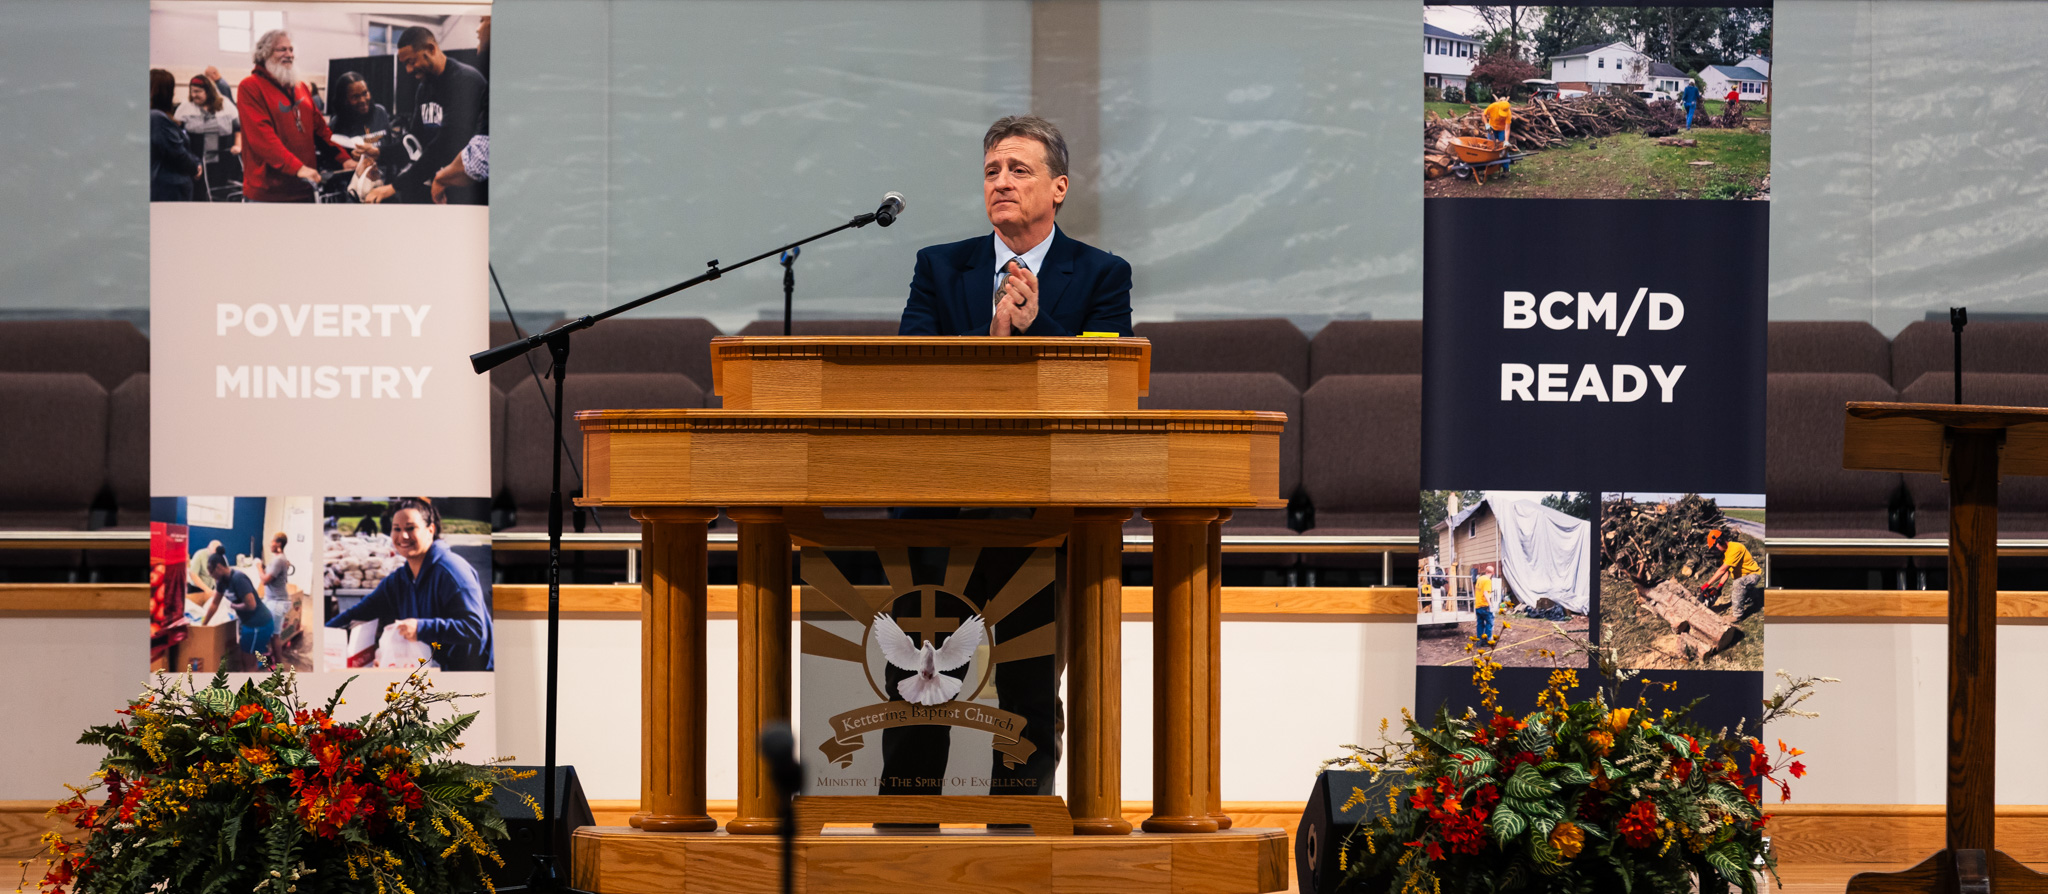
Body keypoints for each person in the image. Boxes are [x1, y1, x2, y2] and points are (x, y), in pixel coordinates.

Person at [898, 115, 1133, 337]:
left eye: (1019, 171)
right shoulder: (938, 267)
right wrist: (989, 336)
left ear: (1059, 189)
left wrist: (1034, 322)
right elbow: (910, 363)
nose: (1000, 183)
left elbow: (1106, 373)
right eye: (992, 172)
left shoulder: (1103, 275)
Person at [325, 497, 493, 671]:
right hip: (429, 668)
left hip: (466, 674)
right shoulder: (400, 579)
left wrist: (421, 628)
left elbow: (475, 629)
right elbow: (359, 611)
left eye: (411, 528)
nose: (403, 536)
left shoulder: (452, 571)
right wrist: (325, 634)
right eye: (397, 529)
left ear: (430, 530)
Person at [365, 26, 488, 204]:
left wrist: (395, 186)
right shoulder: (424, 87)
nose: (408, 70)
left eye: (411, 61)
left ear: (431, 49)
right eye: (404, 64)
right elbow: (415, 139)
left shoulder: (465, 81)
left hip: (464, 190)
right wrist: (379, 153)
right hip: (434, 184)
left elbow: (445, 146)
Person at [236, 29, 346, 202]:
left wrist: (343, 158)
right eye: (282, 49)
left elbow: (320, 130)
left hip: (305, 187)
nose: (289, 55)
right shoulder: (250, 87)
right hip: (268, 193)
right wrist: (297, 168)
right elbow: (263, 138)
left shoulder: (300, 87)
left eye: (291, 49)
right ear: (264, 53)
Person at [200, 547, 274, 671]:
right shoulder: (221, 582)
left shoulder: (238, 579)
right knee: (243, 659)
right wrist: (204, 625)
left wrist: (233, 606)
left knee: (249, 663)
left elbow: (251, 605)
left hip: (258, 624)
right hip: (247, 624)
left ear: (219, 567)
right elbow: (214, 604)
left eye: (212, 573)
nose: (211, 576)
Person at [173, 75, 240, 201]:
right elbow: (176, 133)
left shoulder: (225, 104)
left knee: (219, 193)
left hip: (222, 161)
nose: (194, 95)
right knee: (199, 194)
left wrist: (238, 145)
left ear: (209, 92)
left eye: (198, 91)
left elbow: (238, 128)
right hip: (196, 162)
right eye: (192, 91)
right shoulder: (185, 107)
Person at [149, 69, 199, 202]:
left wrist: (196, 162)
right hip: (168, 188)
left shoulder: (160, 117)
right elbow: (177, 153)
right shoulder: (157, 118)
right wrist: (195, 167)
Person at [1700, 527, 1762, 621]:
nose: (1715, 550)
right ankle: (1753, 594)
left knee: (1738, 584)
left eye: (1715, 546)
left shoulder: (1735, 548)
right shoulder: (1724, 556)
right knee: (1740, 589)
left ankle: (1737, 616)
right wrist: (1719, 587)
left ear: (1720, 541)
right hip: (1743, 578)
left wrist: (1706, 585)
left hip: (1753, 575)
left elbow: (1721, 570)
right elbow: (1725, 572)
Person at [1484, 95, 1513, 174]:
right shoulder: (1492, 107)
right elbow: (1483, 115)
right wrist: (1486, 124)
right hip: (1492, 128)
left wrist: (1506, 141)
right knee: (1490, 147)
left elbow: (1507, 129)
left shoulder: (1508, 113)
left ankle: (1506, 169)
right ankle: (1490, 169)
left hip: (1502, 130)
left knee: (1503, 148)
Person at [1473, 567, 1495, 645]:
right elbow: (1486, 593)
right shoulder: (1487, 581)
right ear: (1493, 573)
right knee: (1489, 623)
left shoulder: (1480, 578)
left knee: (1480, 624)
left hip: (1478, 605)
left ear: (1485, 571)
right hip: (1484, 606)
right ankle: (1487, 641)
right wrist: (1490, 605)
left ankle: (1479, 641)